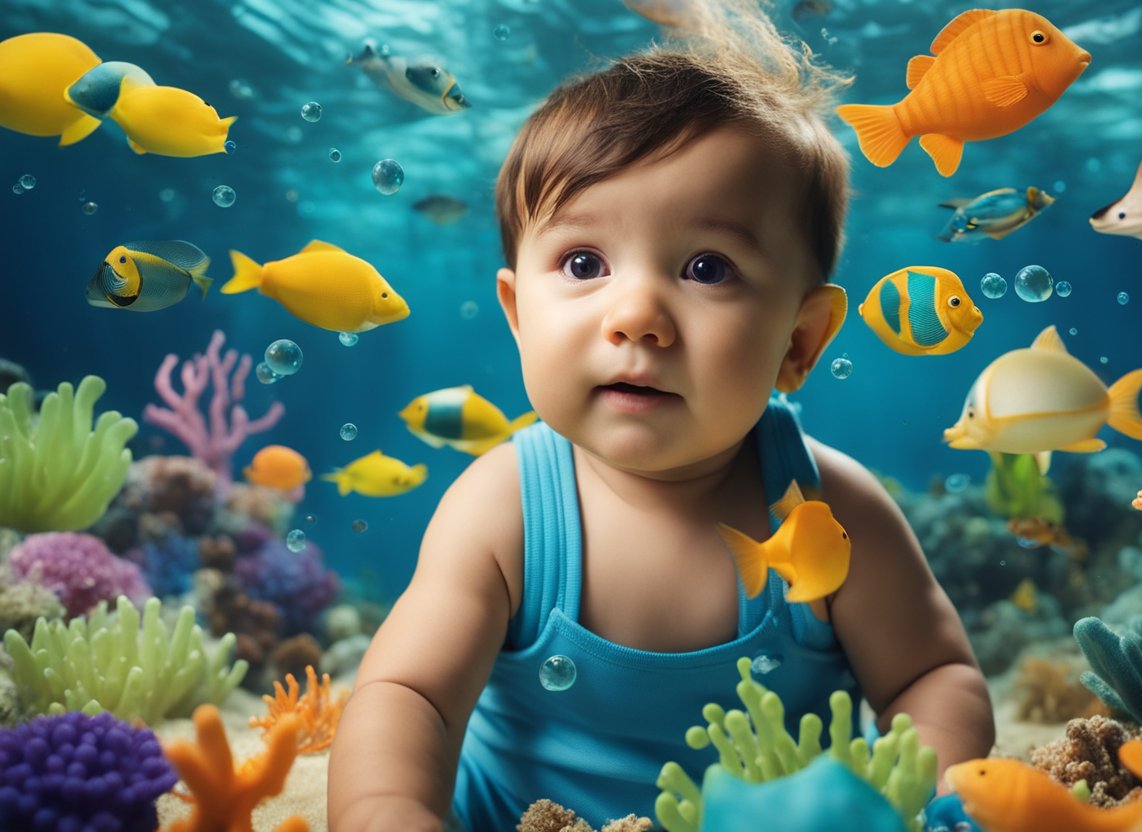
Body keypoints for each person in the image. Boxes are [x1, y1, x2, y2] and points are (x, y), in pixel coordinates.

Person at [328, 3, 995, 829]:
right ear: (516, 313)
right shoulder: (500, 509)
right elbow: (408, 695)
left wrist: (924, 796)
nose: (636, 314)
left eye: (707, 268)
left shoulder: (832, 509)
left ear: (801, 339)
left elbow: (932, 678)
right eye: (583, 262)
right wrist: (390, 814)